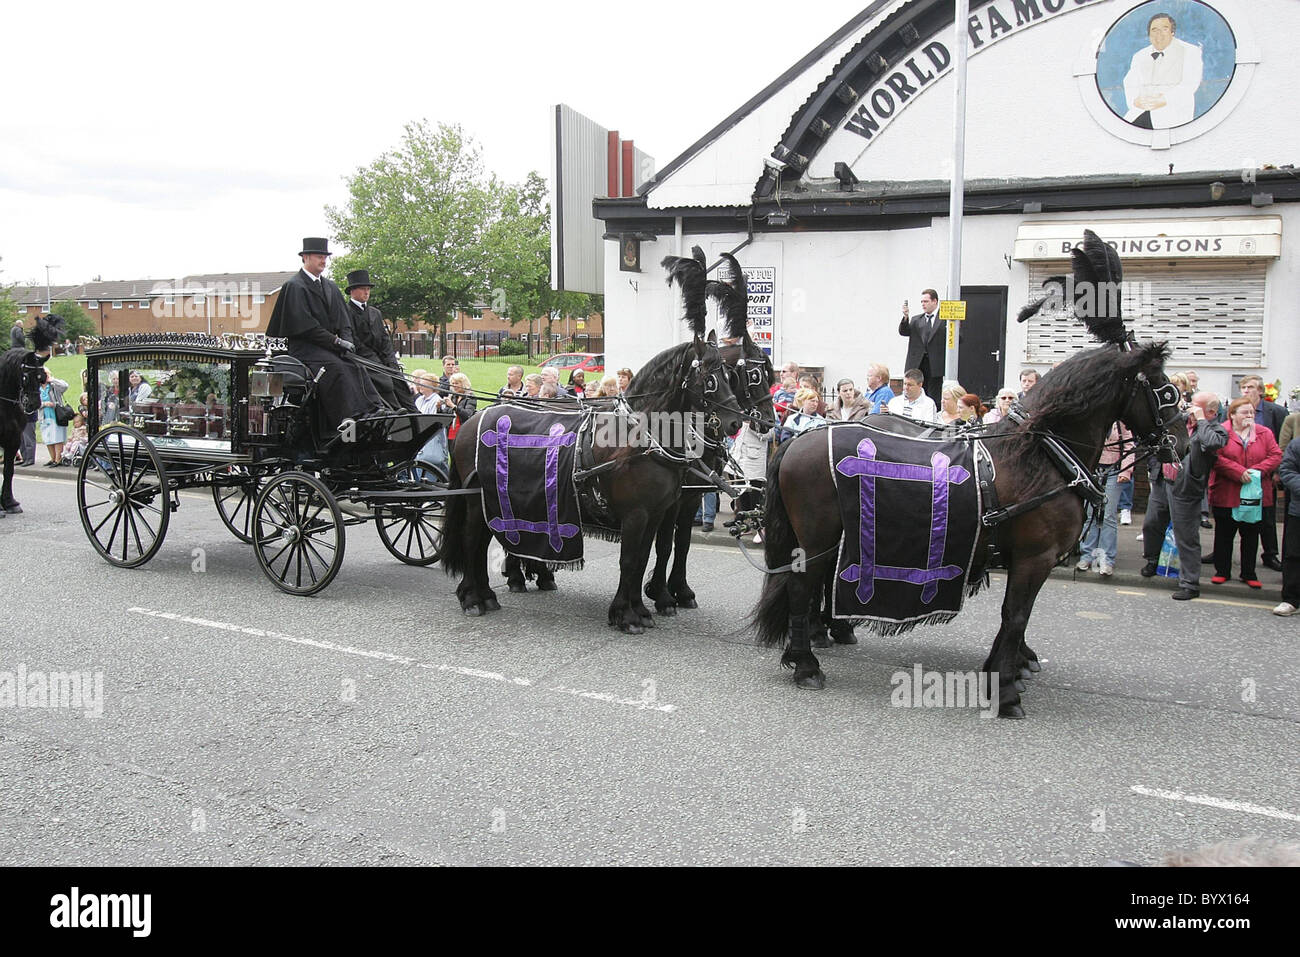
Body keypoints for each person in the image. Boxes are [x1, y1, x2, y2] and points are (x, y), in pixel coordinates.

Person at [264, 237, 386, 433]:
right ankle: (348, 418)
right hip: (305, 348)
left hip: (330, 347)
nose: (323, 261)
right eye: (319, 257)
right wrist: (336, 341)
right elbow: (306, 327)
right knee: (337, 367)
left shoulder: (330, 286)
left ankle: (373, 410)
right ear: (305, 258)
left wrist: (346, 340)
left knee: (356, 364)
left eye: (325, 257)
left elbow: (343, 320)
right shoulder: (295, 286)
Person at [1208, 398, 1282, 590]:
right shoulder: (1220, 432)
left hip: (1255, 493)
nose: (1250, 416)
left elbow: (1275, 455)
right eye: (1244, 412)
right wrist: (1238, 472)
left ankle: (1249, 573)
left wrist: (1256, 471)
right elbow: (1214, 457)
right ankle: (1222, 571)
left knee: (1250, 534)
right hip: (1227, 491)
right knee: (1224, 533)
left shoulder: (1264, 433)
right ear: (1232, 414)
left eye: (1252, 412)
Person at [1162, 392, 1229, 600]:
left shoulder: (1214, 429)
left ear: (1209, 411)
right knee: (1153, 525)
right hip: (1168, 482)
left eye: (1195, 406)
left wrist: (1201, 420)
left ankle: (1190, 583)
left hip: (1188, 488)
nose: (1190, 407)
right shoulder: (1183, 423)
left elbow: (1211, 443)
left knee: (1186, 537)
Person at [345, 269, 417, 412]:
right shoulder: (346, 311)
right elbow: (353, 339)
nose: (367, 292)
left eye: (368, 289)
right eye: (363, 289)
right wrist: (375, 360)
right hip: (364, 359)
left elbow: (385, 340)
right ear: (352, 291)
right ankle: (395, 411)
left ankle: (413, 412)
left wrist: (391, 361)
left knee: (398, 379)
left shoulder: (375, 313)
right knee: (384, 382)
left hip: (382, 358)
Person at [1122, 12, 1204, 130]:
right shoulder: (1139, 56)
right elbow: (1130, 82)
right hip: (1140, 114)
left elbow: (1190, 84)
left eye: (1164, 29)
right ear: (1149, 34)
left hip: (1172, 116)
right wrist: (1136, 101)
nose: (1158, 34)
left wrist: (1164, 99)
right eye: (1154, 30)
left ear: (1172, 32)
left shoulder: (1190, 51)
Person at [1240, 374, 1286, 571]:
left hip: (1265, 474)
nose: (1246, 391)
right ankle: (1220, 552)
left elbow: (1282, 444)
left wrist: (1277, 472)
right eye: (1243, 388)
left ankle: (1270, 554)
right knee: (1234, 514)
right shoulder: (1234, 410)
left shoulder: (1275, 412)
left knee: (1267, 516)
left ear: (1260, 391)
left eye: (1250, 387)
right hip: (1239, 473)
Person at [1078, 422, 1134, 578]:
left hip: (1115, 471)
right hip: (1093, 471)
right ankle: (1087, 555)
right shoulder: (1096, 417)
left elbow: (1129, 446)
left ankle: (1106, 559)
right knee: (1090, 513)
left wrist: (1126, 470)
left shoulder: (1121, 422)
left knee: (1108, 515)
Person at [898, 289, 945, 406]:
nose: (923, 304)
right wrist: (905, 317)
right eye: (922, 302)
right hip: (917, 362)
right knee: (915, 389)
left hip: (935, 363)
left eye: (926, 301)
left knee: (934, 392)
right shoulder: (916, 320)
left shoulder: (944, 319)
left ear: (935, 301)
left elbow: (958, 338)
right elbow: (904, 332)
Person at [1275, 434, 1300, 616]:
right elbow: (1287, 470)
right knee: (1293, 554)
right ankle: (1291, 599)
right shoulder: (1297, 444)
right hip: (1298, 510)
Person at [39, 373, 70, 466]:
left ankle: (58, 458)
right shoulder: (37, 388)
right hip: (44, 416)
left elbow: (65, 386)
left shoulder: (53, 386)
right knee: (47, 438)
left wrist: (52, 380)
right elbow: (34, 402)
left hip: (56, 415)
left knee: (57, 437)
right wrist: (44, 404)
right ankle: (52, 458)